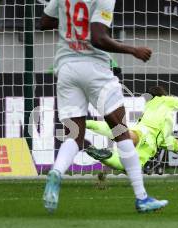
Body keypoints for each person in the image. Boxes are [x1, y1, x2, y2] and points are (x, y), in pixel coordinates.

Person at [39, 0, 168, 213]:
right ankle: (141, 197)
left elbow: (44, 22)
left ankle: (56, 172)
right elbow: (98, 38)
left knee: (75, 135)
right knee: (121, 132)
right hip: (95, 72)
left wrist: (70, 24)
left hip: (66, 70)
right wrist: (133, 50)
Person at [84, 86, 178, 171]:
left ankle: (94, 138)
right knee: (128, 147)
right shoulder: (164, 100)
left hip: (146, 138)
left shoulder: (161, 134)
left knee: (128, 162)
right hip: (146, 136)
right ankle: (104, 155)